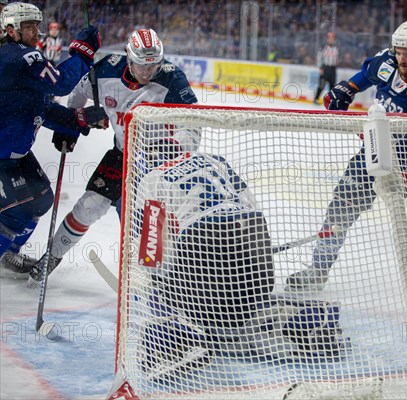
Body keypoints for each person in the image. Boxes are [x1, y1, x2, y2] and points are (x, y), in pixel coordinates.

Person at [287, 21, 407, 310]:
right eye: (399, 51)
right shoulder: (385, 62)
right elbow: (360, 79)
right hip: (373, 154)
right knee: (339, 210)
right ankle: (317, 271)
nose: (402, 59)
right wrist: (344, 91)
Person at [132, 130, 347, 376]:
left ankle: (176, 343)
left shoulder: (152, 178)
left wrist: (159, 284)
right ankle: (312, 319)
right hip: (254, 241)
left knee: (159, 287)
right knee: (249, 310)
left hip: (203, 244)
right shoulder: (213, 159)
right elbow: (250, 204)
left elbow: (151, 253)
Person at [27, 28, 200, 284]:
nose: (147, 72)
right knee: (88, 206)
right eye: (142, 65)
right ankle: (48, 260)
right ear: (129, 58)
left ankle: (162, 280)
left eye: (153, 66)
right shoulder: (105, 71)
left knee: (151, 225)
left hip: (159, 167)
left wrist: (174, 149)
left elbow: (194, 123)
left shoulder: (172, 79)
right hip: (122, 155)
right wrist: (72, 127)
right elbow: (77, 94)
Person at [0, 2, 101, 277]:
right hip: (1, 157)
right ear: (11, 31)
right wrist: (83, 52)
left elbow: (40, 106)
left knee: (42, 199)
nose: (36, 32)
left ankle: (8, 252)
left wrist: (79, 119)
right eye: (29, 26)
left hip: (16, 154)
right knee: (11, 213)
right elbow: (60, 83)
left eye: (37, 25)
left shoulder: (17, 60)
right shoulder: (19, 57)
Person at [313, 32, 339, 105]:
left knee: (332, 86)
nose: (331, 40)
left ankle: (331, 101)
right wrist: (320, 68)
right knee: (322, 85)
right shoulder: (323, 47)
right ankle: (316, 99)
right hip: (325, 68)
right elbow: (319, 58)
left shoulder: (336, 48)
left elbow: (336, 58)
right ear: (327, 39)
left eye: (332, 38)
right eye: (329, 38)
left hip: (333, 68)